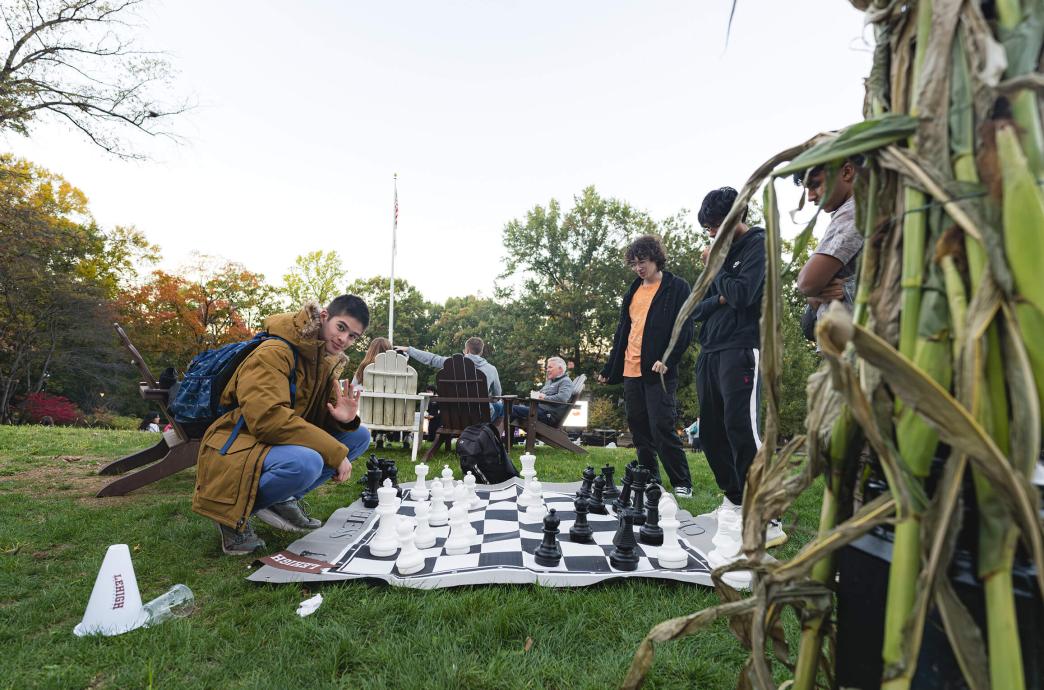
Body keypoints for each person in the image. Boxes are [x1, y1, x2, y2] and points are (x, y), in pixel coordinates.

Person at [192, 296, 374, 556]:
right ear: (324, 317)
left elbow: (310, 420)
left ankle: (282, 499)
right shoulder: (274, 351)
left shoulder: (322, 360)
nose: (344, 339)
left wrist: (341, 420)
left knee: (358, 436)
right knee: (307, 462)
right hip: (240, 441)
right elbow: (268, 420)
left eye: (353, 336)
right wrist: (335, 452)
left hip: (274, 442)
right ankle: (231, 516)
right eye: (341, 327)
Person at [691, 187, 785, 546]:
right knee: (711, 431)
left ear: (735, 219)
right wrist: (720, 294)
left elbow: (745, 294)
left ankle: (769, 516)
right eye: (709, 229)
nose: (712, 235)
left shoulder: (757, 246)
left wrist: (717, 268)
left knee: (741, 428)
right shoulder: (722, 252)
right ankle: (734, 499)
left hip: (741, 348)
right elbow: (697, 308)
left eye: (716, 226)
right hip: (710, 349)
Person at [598, 234, 694, 497]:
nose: (638, 268)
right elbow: (623, 332)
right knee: (639, 428)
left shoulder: (677, 287)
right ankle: (651, 478)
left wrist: (668, 359)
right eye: (634, 263)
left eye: (643, 261)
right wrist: (610, 368)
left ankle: (682, 481)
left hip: (658, 371)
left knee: (661, 426)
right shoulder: (632, 291)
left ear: (655, 258)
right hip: (631, 370)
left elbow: (685, 328)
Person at [794, 157, 864, 339]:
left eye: (815, 184)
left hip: (857, 344)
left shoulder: (855, 212)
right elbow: (811, 292)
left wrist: (849, 288)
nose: (810, 196)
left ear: (846, 172)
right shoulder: (847, 211)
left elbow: (807, 282)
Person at [395, 337, 503, 420]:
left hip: (452, 414)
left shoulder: (451, 363)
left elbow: (432, 359)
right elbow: (497, 395)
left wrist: (409, 350)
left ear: (466, 351)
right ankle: (493, 439)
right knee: (501, 407)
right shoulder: (491, 369)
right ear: (481, 352)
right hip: (479, 415)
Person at [511, 356, 574, 425]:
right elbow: (540, 394)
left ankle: (501, 433)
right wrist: (535, 395)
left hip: (548, 415)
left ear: (560, 369)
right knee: (509, 408)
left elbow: (562, 398)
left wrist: (544, 397)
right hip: (537, 410)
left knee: (512, 409)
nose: (547, 370)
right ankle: (505, 434)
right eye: (547, 368)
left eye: (550, 367)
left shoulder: (565, 381)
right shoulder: (550, 381)